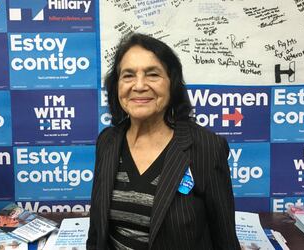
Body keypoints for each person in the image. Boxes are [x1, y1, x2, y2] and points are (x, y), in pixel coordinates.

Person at [87, 33, 240, 249]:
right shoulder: (107, 142)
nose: (139, 86)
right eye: (128, 75)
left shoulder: (206, 147)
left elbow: (224, 240)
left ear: (172, 84)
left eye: (153, 74)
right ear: (117, 85)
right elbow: (96, 232)